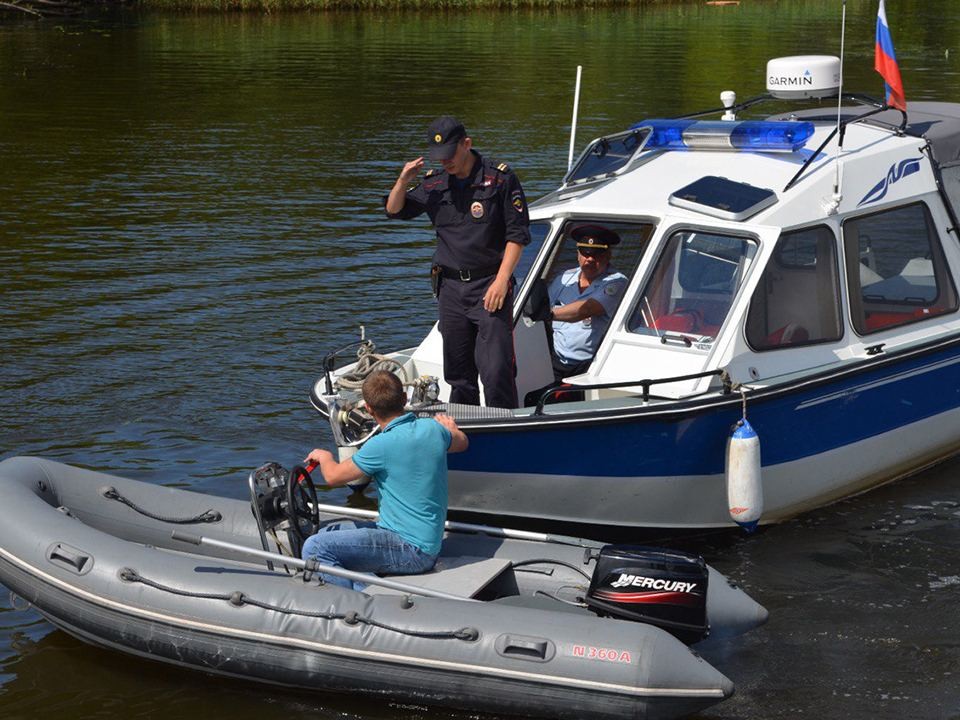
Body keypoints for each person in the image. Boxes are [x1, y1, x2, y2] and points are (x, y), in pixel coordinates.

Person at [384, 116, 531, 409]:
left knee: (496, 369)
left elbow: (518, 235)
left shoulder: (499, 178)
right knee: (458, 373)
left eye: (450, 154)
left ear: (467, 144)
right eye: (440, 157)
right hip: (450, 289)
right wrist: (403, 180)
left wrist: (502, 281)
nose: (446, 162)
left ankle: (505, 429)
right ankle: (467, 428)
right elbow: (394, 210)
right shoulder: (435, 183)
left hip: (490, 284)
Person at [301, 370, 468, 591]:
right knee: (326, 533)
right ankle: (364, 582)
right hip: (423, 543)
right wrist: (452, 429)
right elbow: (462, 443)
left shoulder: (379, 446)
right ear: (405, 399)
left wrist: (325, 457)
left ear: (369, 409)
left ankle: (354, 606)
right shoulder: (432, 429)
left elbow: (333, 477)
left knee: (314, 547)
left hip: (410, 549)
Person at [547, 224, 628, 381]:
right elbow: (544, 304)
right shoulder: (564, 278)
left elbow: (586, 309)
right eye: (585, 253)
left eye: (597, 253)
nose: (590, 259)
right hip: (556, 360)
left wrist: (547, 314)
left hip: (590, 366)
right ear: (578, 254)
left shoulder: (616, 282)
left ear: (608, 255)